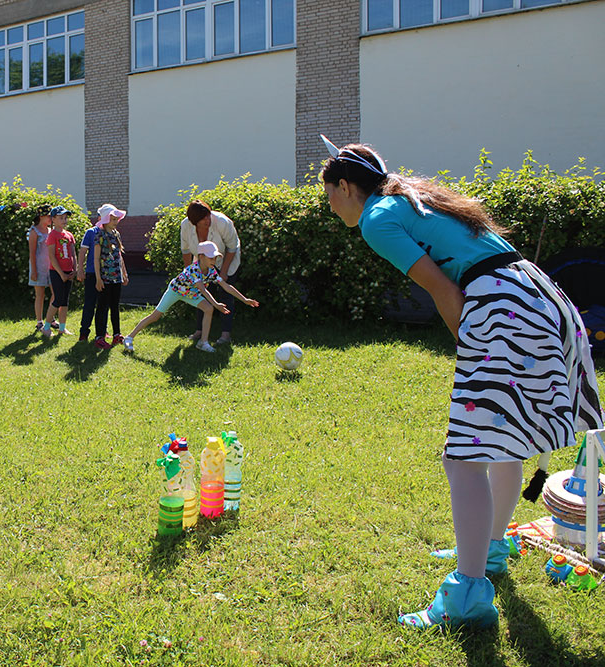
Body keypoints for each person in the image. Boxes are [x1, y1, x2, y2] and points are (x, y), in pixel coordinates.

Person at [319, 137, 603, 630]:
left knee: (465, 456)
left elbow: (443, 288)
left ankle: (468, 596)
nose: (330, 206)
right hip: (536, 294)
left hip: (505, 307)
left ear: (346, 186)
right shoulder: (410, 198)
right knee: (503, 438)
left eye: (329, 195)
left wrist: (468, 349)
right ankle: (491, 547)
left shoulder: (377, 218)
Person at [122, 241, 258, 352]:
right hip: (176, 291)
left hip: (191, 294)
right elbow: (203, 290)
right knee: (156, 316)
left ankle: (203, 342)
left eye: (215, 257)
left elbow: (226, 286)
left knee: (208, 309)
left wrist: (245, 299)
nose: (214, 260)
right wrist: (216, 304)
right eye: (211, 257)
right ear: (201, 256)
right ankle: (129, 337)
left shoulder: (211, 270)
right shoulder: (192, 269)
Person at [180, 200, 242, 345]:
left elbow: (232, 248)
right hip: (202, 263)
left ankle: (225, 334)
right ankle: (199, 331)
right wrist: (190, 273)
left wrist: (224, 272)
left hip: (225, 259)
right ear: (194, 222)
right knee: (201, 295)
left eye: (208, 216)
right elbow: (186, 250)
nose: (207, 220)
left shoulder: (222, 222)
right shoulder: (186, 226)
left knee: (225, 294)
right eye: (203, 219)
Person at [92, 204, 129, 350]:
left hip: (116, 277)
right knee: (102, 307)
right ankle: (99, 337)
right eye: (112, 218)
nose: (115, 221)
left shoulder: (116, 234)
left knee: (115, 306)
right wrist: (98, 278)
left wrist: (124, 273)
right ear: (106, 219)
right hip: (105, 278)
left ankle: (117, 335)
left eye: (116, 218)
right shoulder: (99, 235)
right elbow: (95, 258)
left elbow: (119, 256)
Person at [43, 205, 77, 337]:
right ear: (53, 220)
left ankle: (62, 328)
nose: (64, 220)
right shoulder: (52, 235)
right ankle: (46, 327)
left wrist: (75, 269)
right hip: (57, 272)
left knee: (65, 301)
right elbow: (52, 256)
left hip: (69, 272)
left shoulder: (69, 235)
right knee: (57, 300)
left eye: (65, 218)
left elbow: (73, 253)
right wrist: (61, 274)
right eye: (61, 218)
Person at [28, 205, 53, 333]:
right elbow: (32, 252)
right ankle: (39, 321)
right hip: (39, 267)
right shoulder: (34, 232)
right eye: (49, 216)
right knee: (40, 294)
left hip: (52, 266)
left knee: (55, 293)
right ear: (41, 216)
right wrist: (34, 271)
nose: (51, 218)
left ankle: (51, 318)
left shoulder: (50, 230)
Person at [75, 220, 100, 342]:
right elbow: (83, 252)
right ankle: (84, 333)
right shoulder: (91, 232)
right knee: (89, 304)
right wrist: (80, 269)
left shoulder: (111, 232)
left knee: (103, 305)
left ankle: (101, 332)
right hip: (91, 273)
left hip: (106, 274)